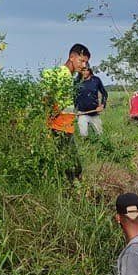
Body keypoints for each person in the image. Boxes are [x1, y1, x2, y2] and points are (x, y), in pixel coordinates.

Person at [42, 44, 91, 177]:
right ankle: (69, 192)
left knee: (68, 165)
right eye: (81, 61)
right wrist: (48, 123)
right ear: (71, 57)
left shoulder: (65, 75)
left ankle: (68, 190)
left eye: (86, 62)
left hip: (63, 126)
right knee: (73, 168)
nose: (84, 64)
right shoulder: (64, 75)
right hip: (60, 127)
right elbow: (51, 99)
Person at [75, 65, 108, 138]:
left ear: (90, 71)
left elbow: (104, 93)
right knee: (84, 135)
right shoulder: (77, 82)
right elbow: (74, 97)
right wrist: (74, 110)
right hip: (82, 113)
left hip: (94, 113)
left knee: (100, 135)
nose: (85, 72)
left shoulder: (96, 80)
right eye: (83, 70)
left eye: (87, 70)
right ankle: (86, 147)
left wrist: (102, 105)